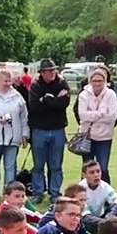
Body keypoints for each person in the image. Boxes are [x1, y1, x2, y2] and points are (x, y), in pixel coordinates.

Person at [25, 59, 71, 200]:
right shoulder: (36, 85)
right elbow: (34, 107)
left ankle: (55, 192)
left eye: (53, 70)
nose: (52, 73)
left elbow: (65, 103)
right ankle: (38, 192)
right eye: (49, 71)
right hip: (39, 129)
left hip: (57, 128)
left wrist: (46, 100)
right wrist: (54, 100)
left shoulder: (62, 83)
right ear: (42, 73)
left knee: (56, 164)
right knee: (38, 164)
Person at [76, 66, 117, 176]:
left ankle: (104, 191)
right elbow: (83, 115)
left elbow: (112, 116)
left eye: (100, 80)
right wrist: (101, 113)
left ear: (105, 81)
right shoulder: (83, 95)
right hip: (87, 136)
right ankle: (84, 192)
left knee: (102, 167)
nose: (97, 83)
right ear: (90, 81)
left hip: (105, 137)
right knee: (87, 167)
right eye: (95, 81)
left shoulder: (111, 94)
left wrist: (92, 115)